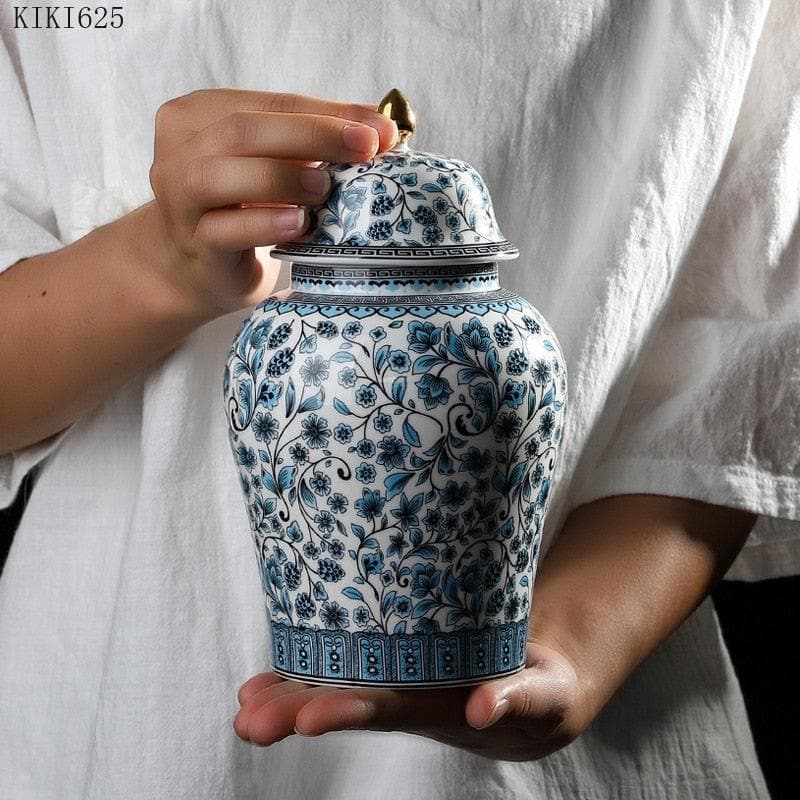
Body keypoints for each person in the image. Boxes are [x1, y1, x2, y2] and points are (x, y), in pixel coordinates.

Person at [1, 1, 797, 798]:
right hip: (114, 716)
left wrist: (573, 655)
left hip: (590, 754)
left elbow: (734, 383)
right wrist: (159, 263)